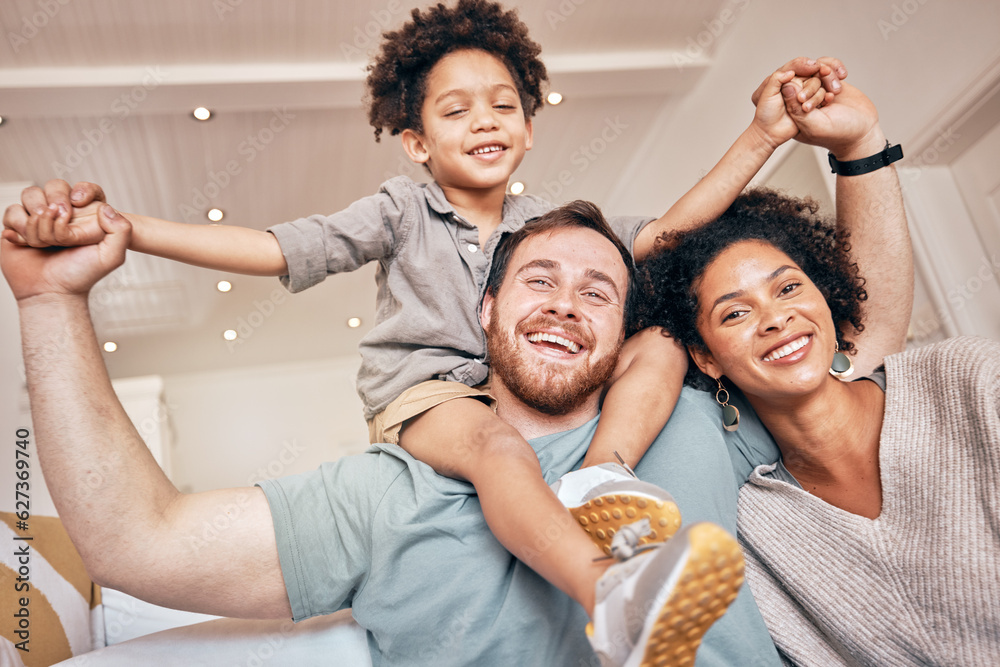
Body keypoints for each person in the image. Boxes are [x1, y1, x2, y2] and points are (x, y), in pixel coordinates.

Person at [0, 0, 846, 629]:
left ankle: (604, 474)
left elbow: (666, 231)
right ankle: (610, 592)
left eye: (503, 104)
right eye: (455, 110)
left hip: (529, 416)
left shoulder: (554, 225)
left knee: (660, 336)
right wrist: (129, 231)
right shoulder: (400, 210)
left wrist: (764, 134)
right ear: (416, 142)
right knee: (492, 447)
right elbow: (276, 247)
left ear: (528, 123)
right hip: (427, 397)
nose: (484, 119)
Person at [2, 202, 779, 666]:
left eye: (597, 291)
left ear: (625, 325)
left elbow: (869, 366)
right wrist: (48, 303)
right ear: (485, 310)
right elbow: (138, 541)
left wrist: (859, 148)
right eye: (539, 280)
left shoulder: (693, 411)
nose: (566, 304)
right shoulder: (389, 487)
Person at [639, 188, 1000, 665]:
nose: (775, 319)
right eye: (735, 313)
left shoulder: (967, 379)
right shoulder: (753, 525)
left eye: (788, 288)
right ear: (706, 358)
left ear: (826, 299)